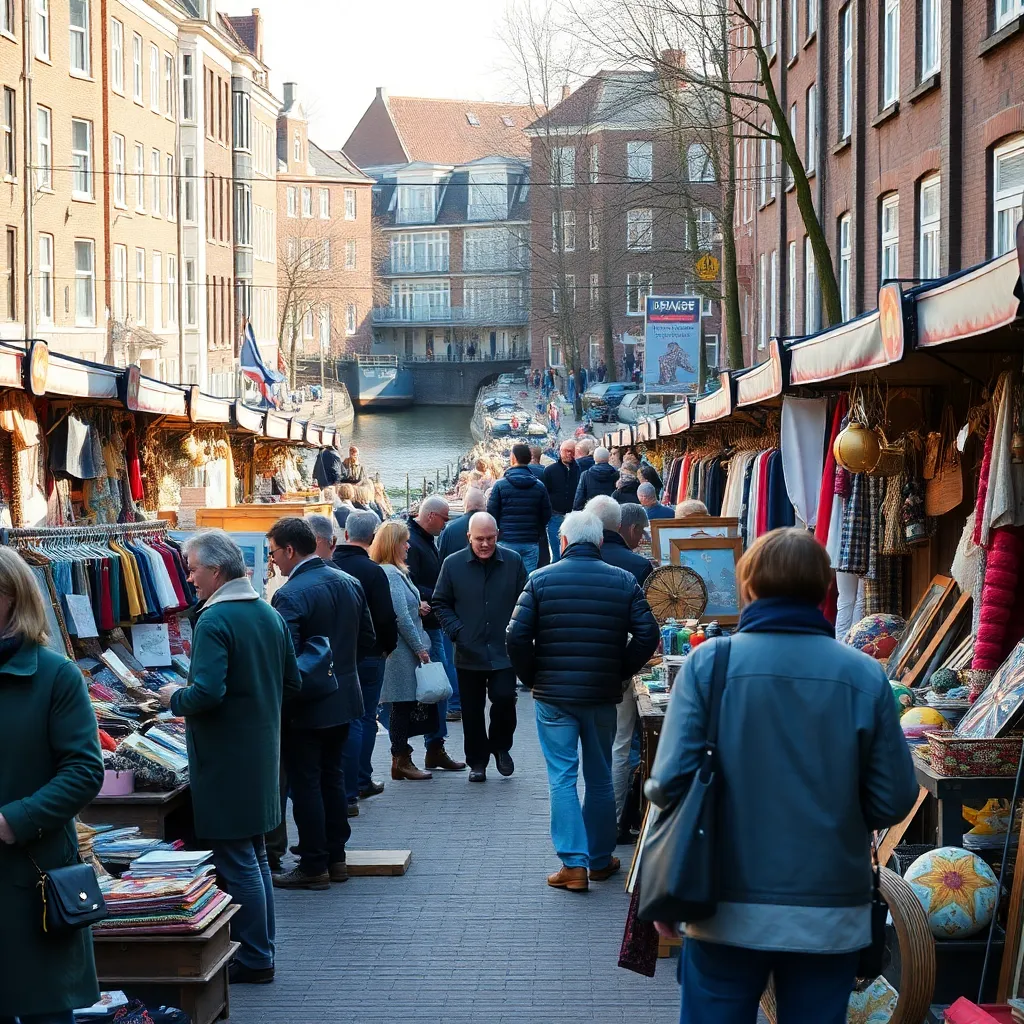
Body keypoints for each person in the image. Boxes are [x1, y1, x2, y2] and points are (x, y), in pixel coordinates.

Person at [650, 528, 919, 1023]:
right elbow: (895, 796)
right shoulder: (863, 674)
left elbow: (669, 782)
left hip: (722, 899)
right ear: (822, 589)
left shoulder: (709, 665)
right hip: (829, 905)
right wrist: (840, 810)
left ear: (749, 585)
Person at [162, 530, 300, 984]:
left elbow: (205, 693)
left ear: (216, 571)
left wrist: (173, 697)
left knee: (239, 860)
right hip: (261, 751)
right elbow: (293, 684)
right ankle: (263, 951)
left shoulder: (214, 620)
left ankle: (257, 957)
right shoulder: (266, 612)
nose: (189, 577)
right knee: (254, 856)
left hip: (226, 758)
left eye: (192, 568)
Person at [506, 512, 659, 892]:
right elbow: (648, 633)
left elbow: (516, 637)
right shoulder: (623, 581)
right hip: (601, 694)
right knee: (600, 775)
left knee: (562, 777)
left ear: (562, 541)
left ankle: (572, 864)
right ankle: (599, 858)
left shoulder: (540, 579)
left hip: (554, 696)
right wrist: (620, 670)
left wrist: (532, 677)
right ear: (600, 543)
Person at [0, 548, 106, 1022]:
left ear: (12, 597)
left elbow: (84, 770)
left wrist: (14, 819)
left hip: (29, 874)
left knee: (42, 1009)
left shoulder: (54, 675)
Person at [267, 517, 374, 891]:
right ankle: (335, 857)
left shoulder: (290, 594)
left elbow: (285, 658)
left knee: (307, 782)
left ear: (291, 550)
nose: (273, 562)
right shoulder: (349, 581)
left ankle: (314, 861)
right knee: (332, 777)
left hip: (307, 705)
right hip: (343, 698)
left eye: (274, 553)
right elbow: (366, 638)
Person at [433, 512, 528, 782]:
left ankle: (500, 746)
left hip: (503, 649)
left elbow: (526, 600)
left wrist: (519, 633)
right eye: (479, 540)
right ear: (468, 538)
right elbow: (440, 602)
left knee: (505, 699)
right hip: (468, 650)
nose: (485, 544)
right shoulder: (452, 565)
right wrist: (457, 631)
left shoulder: (513, 561)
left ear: (497, 535)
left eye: (490, 538)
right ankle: (477, 761)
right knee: (472, 710)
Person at [585, 498, 653, 822]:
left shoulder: (583, 560)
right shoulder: (637, 567)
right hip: (620, 666)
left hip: (583, 672)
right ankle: (612, 822)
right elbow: (647, 630)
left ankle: (594, 820)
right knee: (621, 742)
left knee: (593, 746)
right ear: (627, 528)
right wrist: (628, 666)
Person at [334, 511, 398, 809]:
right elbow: (386, 617)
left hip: (337, 657)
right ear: (373, 538)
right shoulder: (374, 572)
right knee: (365, 718)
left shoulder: (331, 567)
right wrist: (387, 647)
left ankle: (346, 783)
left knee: (343, 719)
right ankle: (361, 779)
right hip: (371, 655)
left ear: (345, 535)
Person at [373, 521, 438, 781]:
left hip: (402, 652)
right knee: (401, 707)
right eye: (404, 541)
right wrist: (420, 648)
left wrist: (418, 606)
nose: (408, 546)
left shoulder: (396, 572)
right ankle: (401, 758)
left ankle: (402, 758)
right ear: (392, 545)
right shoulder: (390, 573)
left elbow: (404, 608)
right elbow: (400, 615)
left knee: (403, 705)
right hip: (401, 654)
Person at [406, 496, 466, 766]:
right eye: (443, 518)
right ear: (430, 516)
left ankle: (434, 746)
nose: (445, 524)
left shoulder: (424, 539)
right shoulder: (415, 542)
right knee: (437, 687)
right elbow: (410, 585)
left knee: (438, 688)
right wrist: (443, 594)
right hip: (425, 626)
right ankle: (430, 747)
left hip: (430, 624)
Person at [487, 442, 553, 575]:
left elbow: (491, 514)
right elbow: (546, 514)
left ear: (513, 458)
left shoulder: (500, 485)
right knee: (527, 580)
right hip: (530, 540)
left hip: (506, 540)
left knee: (505, 577)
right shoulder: (539, 486)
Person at [588, 497, 653, 588]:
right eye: (642, 531)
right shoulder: (640, 565)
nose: (642, 537)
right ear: (633, 529)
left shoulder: (576, 560)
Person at [542, 439, 581, 565]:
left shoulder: (579, 470)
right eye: (567, 451)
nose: (569, 454)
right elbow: (544, 493)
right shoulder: (550, 471)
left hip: (573, 516)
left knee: (573, 549)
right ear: (560, 451)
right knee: (556, 551)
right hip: (555, 515)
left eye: (572, 451)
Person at [439, 487, 487, 562]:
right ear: (484, 505)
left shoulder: (449, 529)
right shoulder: (492, 527)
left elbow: (441, 559)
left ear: (465, 504)